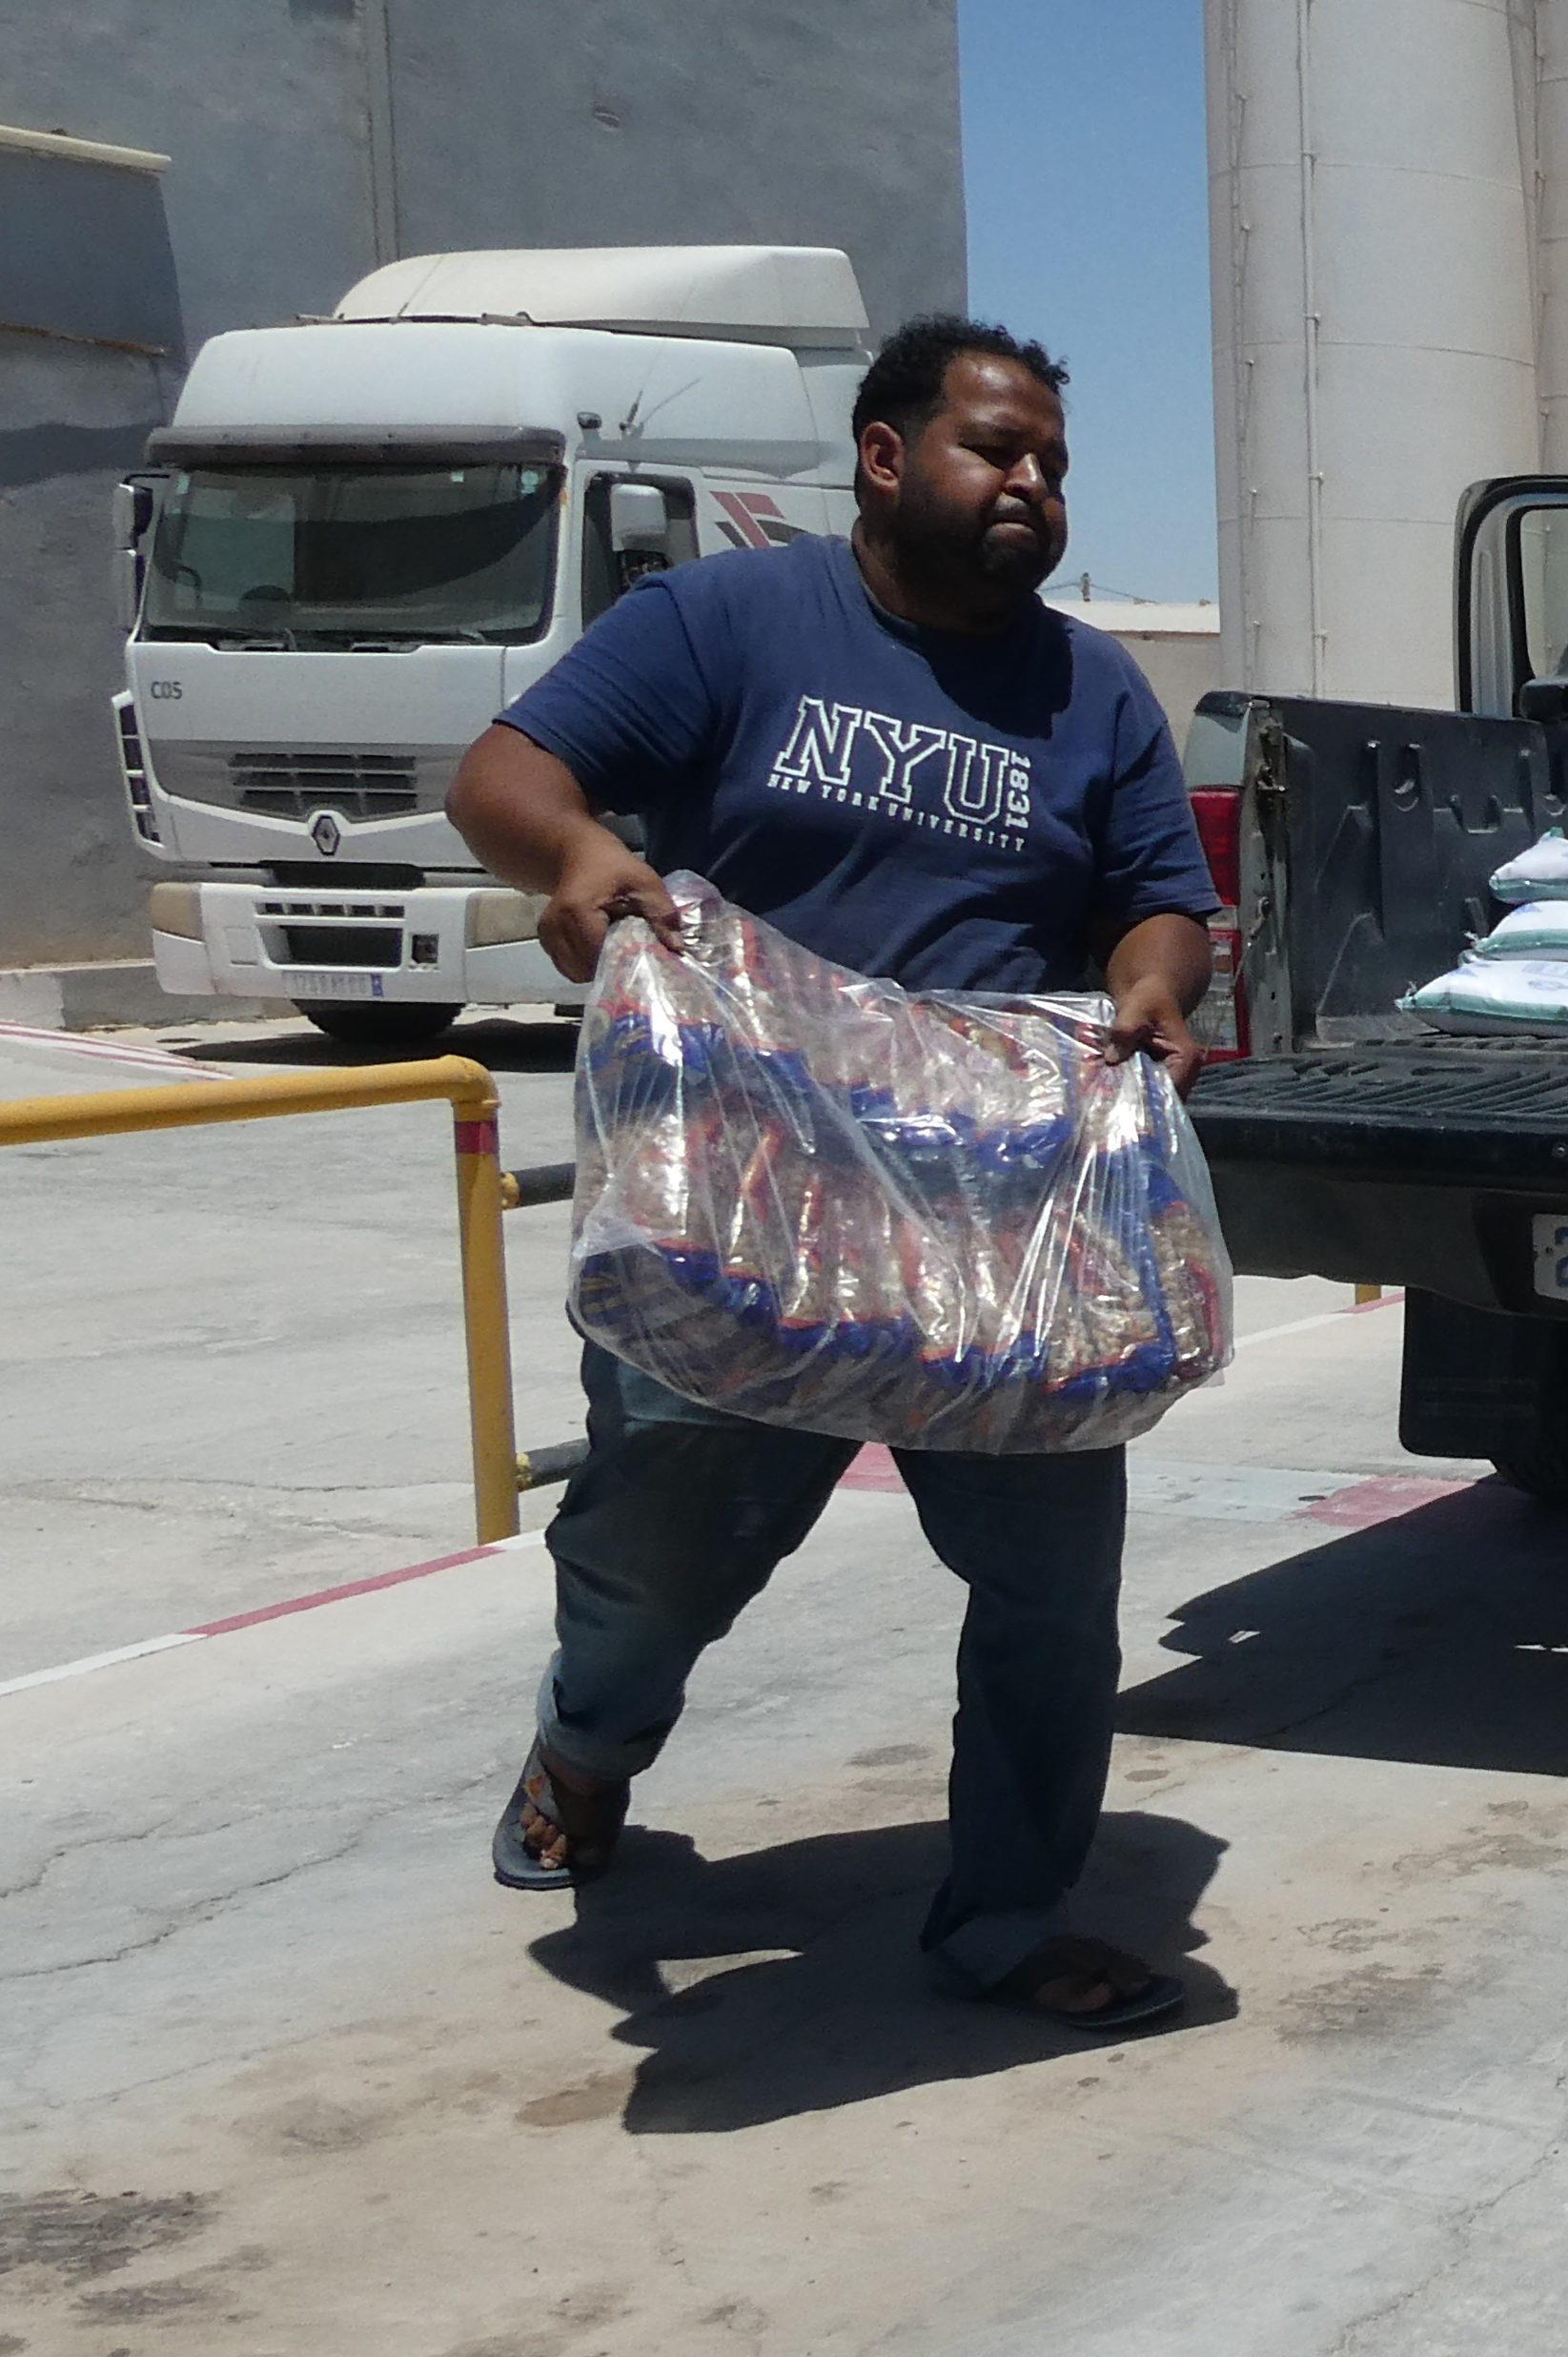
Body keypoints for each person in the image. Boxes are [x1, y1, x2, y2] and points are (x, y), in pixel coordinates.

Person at [445, 315, 1222, 2032]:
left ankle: (1004, 1916)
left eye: (1053, 464)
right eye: (995, 449)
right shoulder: (727, 620)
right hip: (748, 1206)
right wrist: (574, 852)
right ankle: (586, 1743)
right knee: (658, 1563)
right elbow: (504, 775)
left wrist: (1154, 981)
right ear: (883, 457)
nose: (1032, 484)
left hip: (997, 1231)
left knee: (1049, 1592)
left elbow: (1160, 897)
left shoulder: (1090, 687)